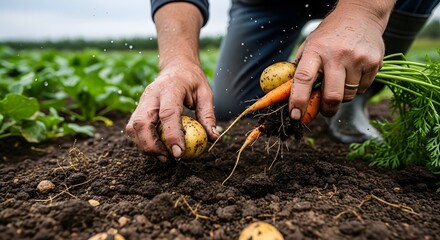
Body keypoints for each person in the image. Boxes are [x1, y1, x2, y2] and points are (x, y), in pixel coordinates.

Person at [126, 0, 439, 162]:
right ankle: (319, 84)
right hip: (269, 3)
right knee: (231, 105)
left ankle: (351, 92)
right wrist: (177, 60)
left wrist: (365, 12)